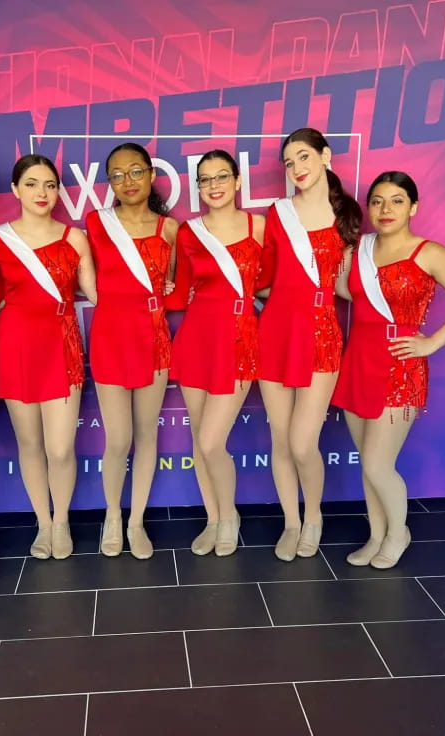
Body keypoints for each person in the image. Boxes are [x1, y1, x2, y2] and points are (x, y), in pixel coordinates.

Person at [334, 171, 445, 568]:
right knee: (367, 460)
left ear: (413, 207)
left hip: (399, 365)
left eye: (397, 200)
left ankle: (398, 532)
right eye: (378, 201)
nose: (386, 209)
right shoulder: (358, 251)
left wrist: (432, 342)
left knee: (377, 463)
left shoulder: (430, 253)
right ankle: (376, 534)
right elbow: (346, 292)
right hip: (357, 362)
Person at [0, 154, 96, 561]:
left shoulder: (73, 238)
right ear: (15, 190)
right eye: (32, 184)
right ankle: (43, 524)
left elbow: (97, 293)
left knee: (61, 448)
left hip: (62, 345)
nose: (42, 193)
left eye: (50, 185)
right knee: (29, 444)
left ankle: (62, 520)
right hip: (15, 346)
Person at [257, 128, 362, 561]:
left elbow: (347, 287)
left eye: (303, 157)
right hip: (275, 332)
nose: (297, 168)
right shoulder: (277, 213)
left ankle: (314, 516)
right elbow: (262, 279)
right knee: (281, 442)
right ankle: (291, 521)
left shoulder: (348, 216)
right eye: (289, 162)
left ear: (325, 156)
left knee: (303, 442)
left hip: (321, 332)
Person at [168, 149, 265, 556]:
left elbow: (274, 283)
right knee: (198, 438)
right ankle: (213, 517)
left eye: (221, 177)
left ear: (238, 180)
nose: (214, 186)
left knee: (211, 442)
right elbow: (179, 292)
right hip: (197, 337)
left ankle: (230, 517)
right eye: (205, 180)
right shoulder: (189, 233)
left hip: (240, 336)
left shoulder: (259, 227)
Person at [84, 143, 178, 559]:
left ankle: (136, 520)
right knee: (118, 438)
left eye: (136, 171)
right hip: (109, 335)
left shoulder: (169, 229)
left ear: (150, 175)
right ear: (110, 183)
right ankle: (112, 516)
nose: (128, 181)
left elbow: (172, 284)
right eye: (118, 175)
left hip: (153, 337)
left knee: (146, 434)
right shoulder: (96, 223)